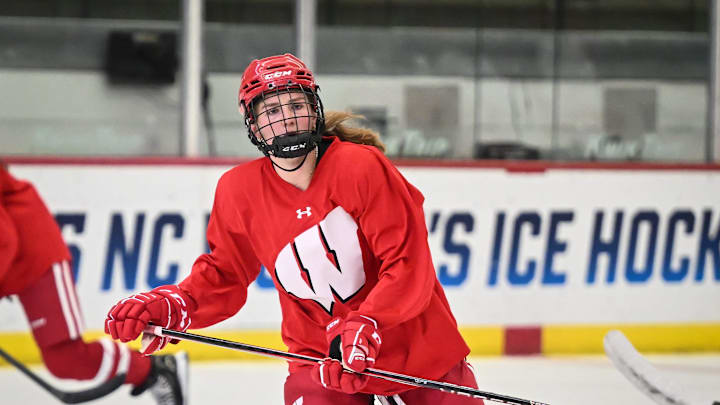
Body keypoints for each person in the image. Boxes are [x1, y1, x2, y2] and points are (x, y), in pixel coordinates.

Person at [104, 53, 482, 405]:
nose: (286, 119)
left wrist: (369, 323)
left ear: (314, 109)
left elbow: (408, 265)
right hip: (322, 362)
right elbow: (224, 274)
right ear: (252, 122)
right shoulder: (239, 191)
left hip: (416, 351)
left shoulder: (360, 168)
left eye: (296, 105)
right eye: (271, 110)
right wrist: (176, 304)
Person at [0, 164, 187, 405]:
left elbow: (5, 240)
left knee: (66, 359)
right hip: (14, 258)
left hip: (34, 252)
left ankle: (156, 368)